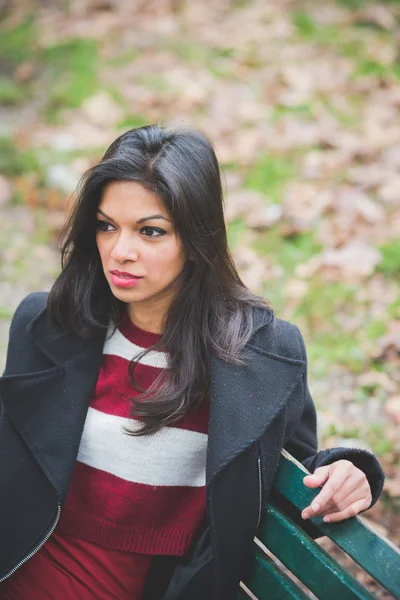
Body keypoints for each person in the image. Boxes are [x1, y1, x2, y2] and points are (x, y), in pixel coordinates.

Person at [0, 125, 384, 600]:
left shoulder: (257, 356)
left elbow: (289, 479)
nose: (120, 251)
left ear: (197, 237)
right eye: (106, 225)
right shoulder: (51, 325)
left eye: (150, 231)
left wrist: (350, 471)